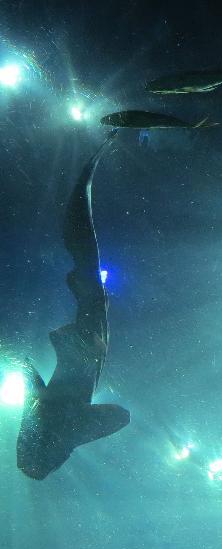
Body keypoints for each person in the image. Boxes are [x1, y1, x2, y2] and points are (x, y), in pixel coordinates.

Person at [17, 131, 130, 480]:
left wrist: (74, 430)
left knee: (90, 273)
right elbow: (26, 372)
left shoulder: (60, 428)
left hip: (87, 344)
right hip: (84, 345)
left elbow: (120, 416)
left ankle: (85, 177)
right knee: (87, 271)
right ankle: (84, 177)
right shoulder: (40, 417)